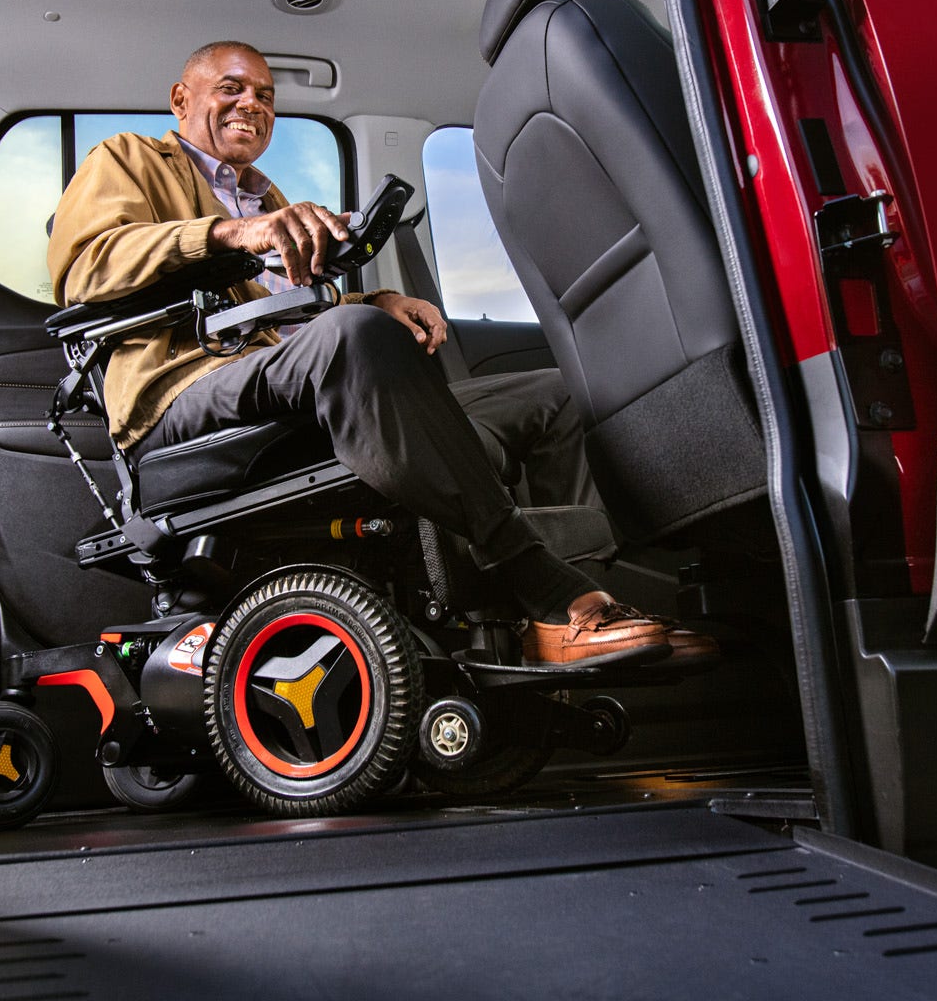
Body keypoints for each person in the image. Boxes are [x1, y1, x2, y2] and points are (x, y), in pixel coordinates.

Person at [47, 41, 710, 666]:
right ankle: (540, 584)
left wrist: (377, 302)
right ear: (180, 100)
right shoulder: (128, 159)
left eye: (267, 95)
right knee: (353, 340)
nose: (254, 103)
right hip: (184, 391)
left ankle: (582, 605)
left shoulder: (269, 196)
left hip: (285, 381)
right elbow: (85, 266)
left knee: (553, 396)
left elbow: (296, 318)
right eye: (232, 88)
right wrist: (234, 231)